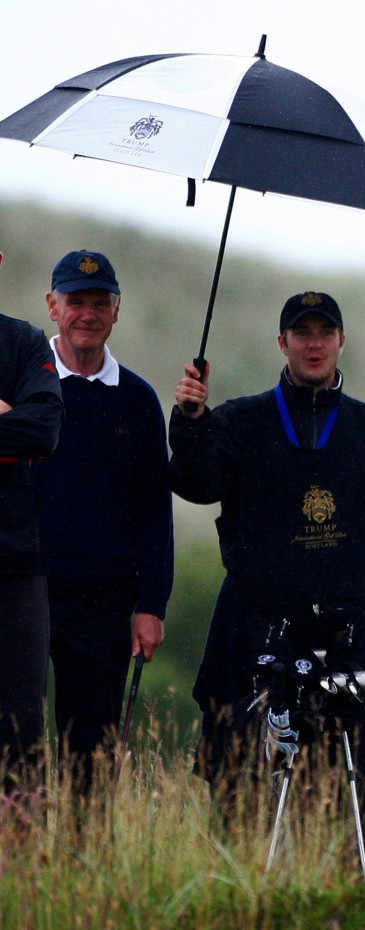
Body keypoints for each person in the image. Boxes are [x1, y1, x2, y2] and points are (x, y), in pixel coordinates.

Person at [169, 290, 365, 862]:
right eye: (301, 333)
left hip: (346, 637)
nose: (314, 343)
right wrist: (190, 419)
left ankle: (342, 901)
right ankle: (242, 895)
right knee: (239, 782)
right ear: (282, 343)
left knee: (346, 794)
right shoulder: (238, 420)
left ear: (341, 341)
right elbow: (196, 484)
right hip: (253, 627)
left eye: (324, 332)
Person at [33, 250, 173, 795]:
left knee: (89, 747)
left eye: (99, 303)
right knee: (14, 733)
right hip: (23, 583)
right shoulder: (22, 385)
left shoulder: (138, 400)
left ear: (117, 311)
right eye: (75, 302)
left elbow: (153, 513)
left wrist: (152, 605)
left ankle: (82, 863)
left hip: (106, 599)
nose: (86, 314)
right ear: (52, 306)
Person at [0, 248, 64, 788]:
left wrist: (17, 423)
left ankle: (20, 866)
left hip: (15, 563)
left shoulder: (23, 342)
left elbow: (41, 431)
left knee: (21, 728)